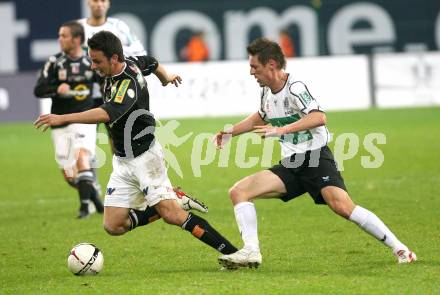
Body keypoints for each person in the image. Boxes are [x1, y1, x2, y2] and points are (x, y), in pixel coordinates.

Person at [214, 37, 417, 269]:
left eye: (254, 67)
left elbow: (319, 117)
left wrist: (282, 129)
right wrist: (230, 132)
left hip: (316, 158)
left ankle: (401, 249)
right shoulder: (266, 92)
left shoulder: (295, 88)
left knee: (342, 206)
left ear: (271, 64)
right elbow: (260, 117)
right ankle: (251, 252)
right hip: (292, 164)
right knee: (239, 191)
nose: (251, 72)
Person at [34, 31, 238, 261]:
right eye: (91, 60)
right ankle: (172, 198)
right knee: (113, 225)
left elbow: (107, 113)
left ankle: (233, 253)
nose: (93, 66)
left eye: (97, 61)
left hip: (145, 158)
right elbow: (150, 61)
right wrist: (166, 77)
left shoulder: (126, 83)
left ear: (113, 58)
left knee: (173, 215)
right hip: (122, 161)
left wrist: (63, 118)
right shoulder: (129, 63)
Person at [34, 21, 104, 218]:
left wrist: (103, 108)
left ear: (77, 39)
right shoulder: (54, 62)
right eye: (60, 35)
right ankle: (96, 200)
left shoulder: (92, 61)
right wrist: (56, 89)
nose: (60, 39)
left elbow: (105, 84)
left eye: (63, 36)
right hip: (60, 121)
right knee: (69, 174)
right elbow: (38, 89)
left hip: (84, 118)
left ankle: (83, 209)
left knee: (82, 157)